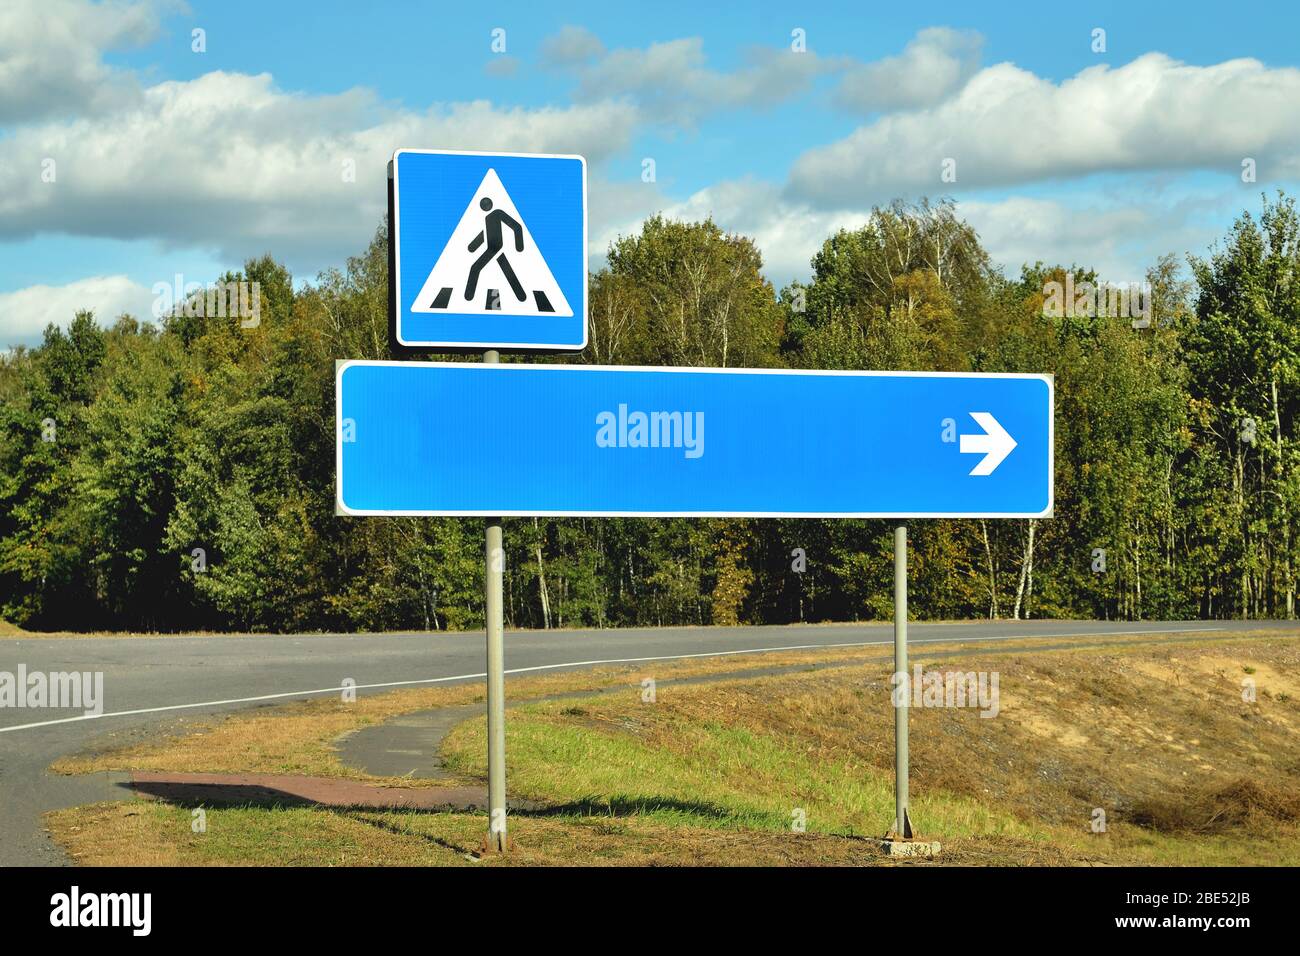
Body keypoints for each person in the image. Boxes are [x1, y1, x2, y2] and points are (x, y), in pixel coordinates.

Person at [465, 197, 526, 302]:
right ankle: (521, 296)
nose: (485, 207)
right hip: (492, 249)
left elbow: (517, 227)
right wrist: (472, 247)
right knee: (506, 271)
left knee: (475, 268)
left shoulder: (497, 213)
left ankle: (521, 297)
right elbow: (486, 233)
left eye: (486, 204)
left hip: (496, 248)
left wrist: (519, 246)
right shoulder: (488, 218)